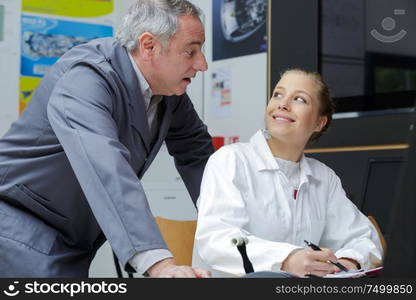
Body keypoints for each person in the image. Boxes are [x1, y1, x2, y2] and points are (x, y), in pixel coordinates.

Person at [0, 0, 214, 278]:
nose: (202, 64)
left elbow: (198, 155)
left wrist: (229, 227)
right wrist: (158, 264)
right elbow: (106, 166)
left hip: (72, 236)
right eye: (191, 51)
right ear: (148, 46)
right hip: (21, 227)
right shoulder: (85, 77)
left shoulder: (169, 95)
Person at [192, 69, 383, 277]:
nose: (282, 104)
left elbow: (363, 238)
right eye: (278, 94)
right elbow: (216, 239)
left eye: (299, 99)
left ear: (319, 122)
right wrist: (287, 259)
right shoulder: (230, 160)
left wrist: (348, 262)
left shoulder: (323, 178)